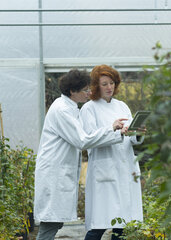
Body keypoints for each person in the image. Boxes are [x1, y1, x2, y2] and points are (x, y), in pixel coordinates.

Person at [34, 69, 128, 240]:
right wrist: (111, 129)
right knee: (50, 223)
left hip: (58, 172)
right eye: (85, 90)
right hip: (54, 173)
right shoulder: (62, 110)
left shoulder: (69, 108)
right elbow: (82, 140)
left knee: (54, 222)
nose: (89, 93)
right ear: (72, 91)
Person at [80, 65, 146, 240]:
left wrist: (137, 133)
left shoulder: (122, 106)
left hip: (125, 168)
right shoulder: (89, 108)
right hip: (105, 171)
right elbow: (88, 140)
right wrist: (112, 129)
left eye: (112, 83)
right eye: (104, 84)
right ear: (95, 86)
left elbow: (130, 138)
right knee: (99, 225)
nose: (109, 87)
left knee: (123, 226)